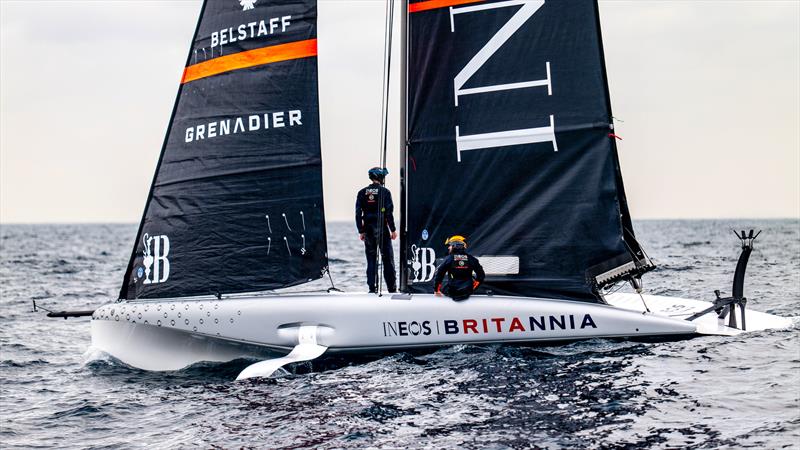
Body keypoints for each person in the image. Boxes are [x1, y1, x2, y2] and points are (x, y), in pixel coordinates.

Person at [355, 167, 397, 293]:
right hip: (382, 230)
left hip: (368, 230)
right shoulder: (385, 192)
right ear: (380, 177)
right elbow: (389, 213)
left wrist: (361, 231)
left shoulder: (361, 193)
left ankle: (372, 288)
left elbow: (357, 214)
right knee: (387, 259)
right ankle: (391, 289)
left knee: (371, 260)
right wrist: (393, 230)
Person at [433, 235, 485, 301]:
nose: (448, 248)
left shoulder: (449, 259)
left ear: (455, 246)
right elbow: (481, 275)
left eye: (450, 245)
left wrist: (436, 290)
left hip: (452, 291)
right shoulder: (471, 259)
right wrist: (473, 287)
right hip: (467, 291)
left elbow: (439, 274)